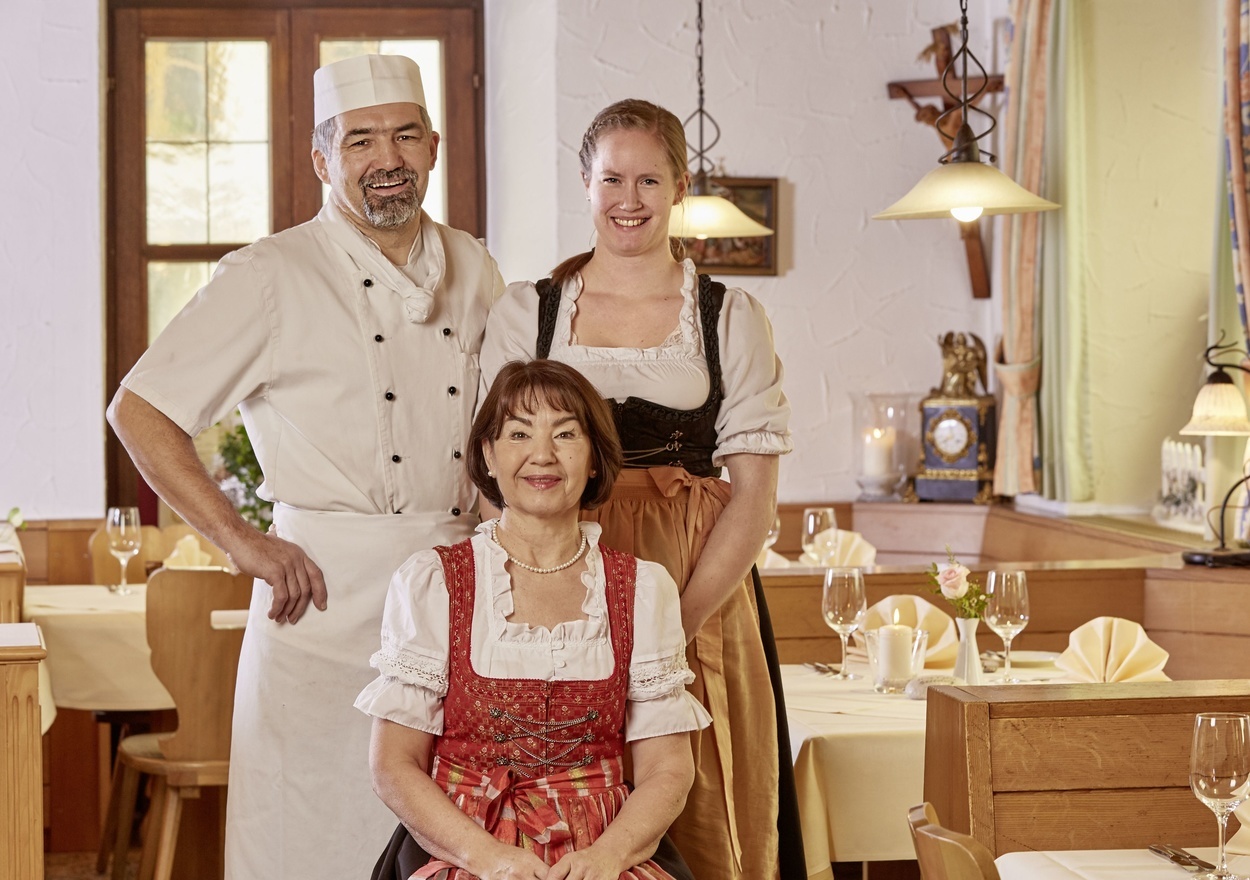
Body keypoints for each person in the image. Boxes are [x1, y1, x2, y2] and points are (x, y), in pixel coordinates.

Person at [106, 54, 503, 880]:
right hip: (321, 605)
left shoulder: (476, 267)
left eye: (405, 136)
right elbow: (139, 409)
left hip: (452, 599)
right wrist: (242, 541)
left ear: (433, 148)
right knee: (305, 837)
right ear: (322, 160)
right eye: (360, 140)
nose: (387, 158)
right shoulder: (269, 274)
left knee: (447, 843)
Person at [479, 99, 803, 880]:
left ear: (680, 187)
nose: (629, 199)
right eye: (612, 179)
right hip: (558, 570)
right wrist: (528, 590)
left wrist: (670, 625)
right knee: (559, 793)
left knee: (701, 790)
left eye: (649, 180)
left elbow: (754, 499)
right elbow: (496, 476)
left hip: (695, 578)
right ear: (586, 185)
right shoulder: (528, 311)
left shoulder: (730, 316)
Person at [357, 359, 710, 879]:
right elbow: (393, 765)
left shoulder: (642, 589)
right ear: (489, 454)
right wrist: (487, 857)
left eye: (565, 434)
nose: (542, 454)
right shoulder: (433, 582)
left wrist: (609, 856)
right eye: (519, 433)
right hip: (464, 851)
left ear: (594, 458)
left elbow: (667, 768)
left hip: (604, 854)